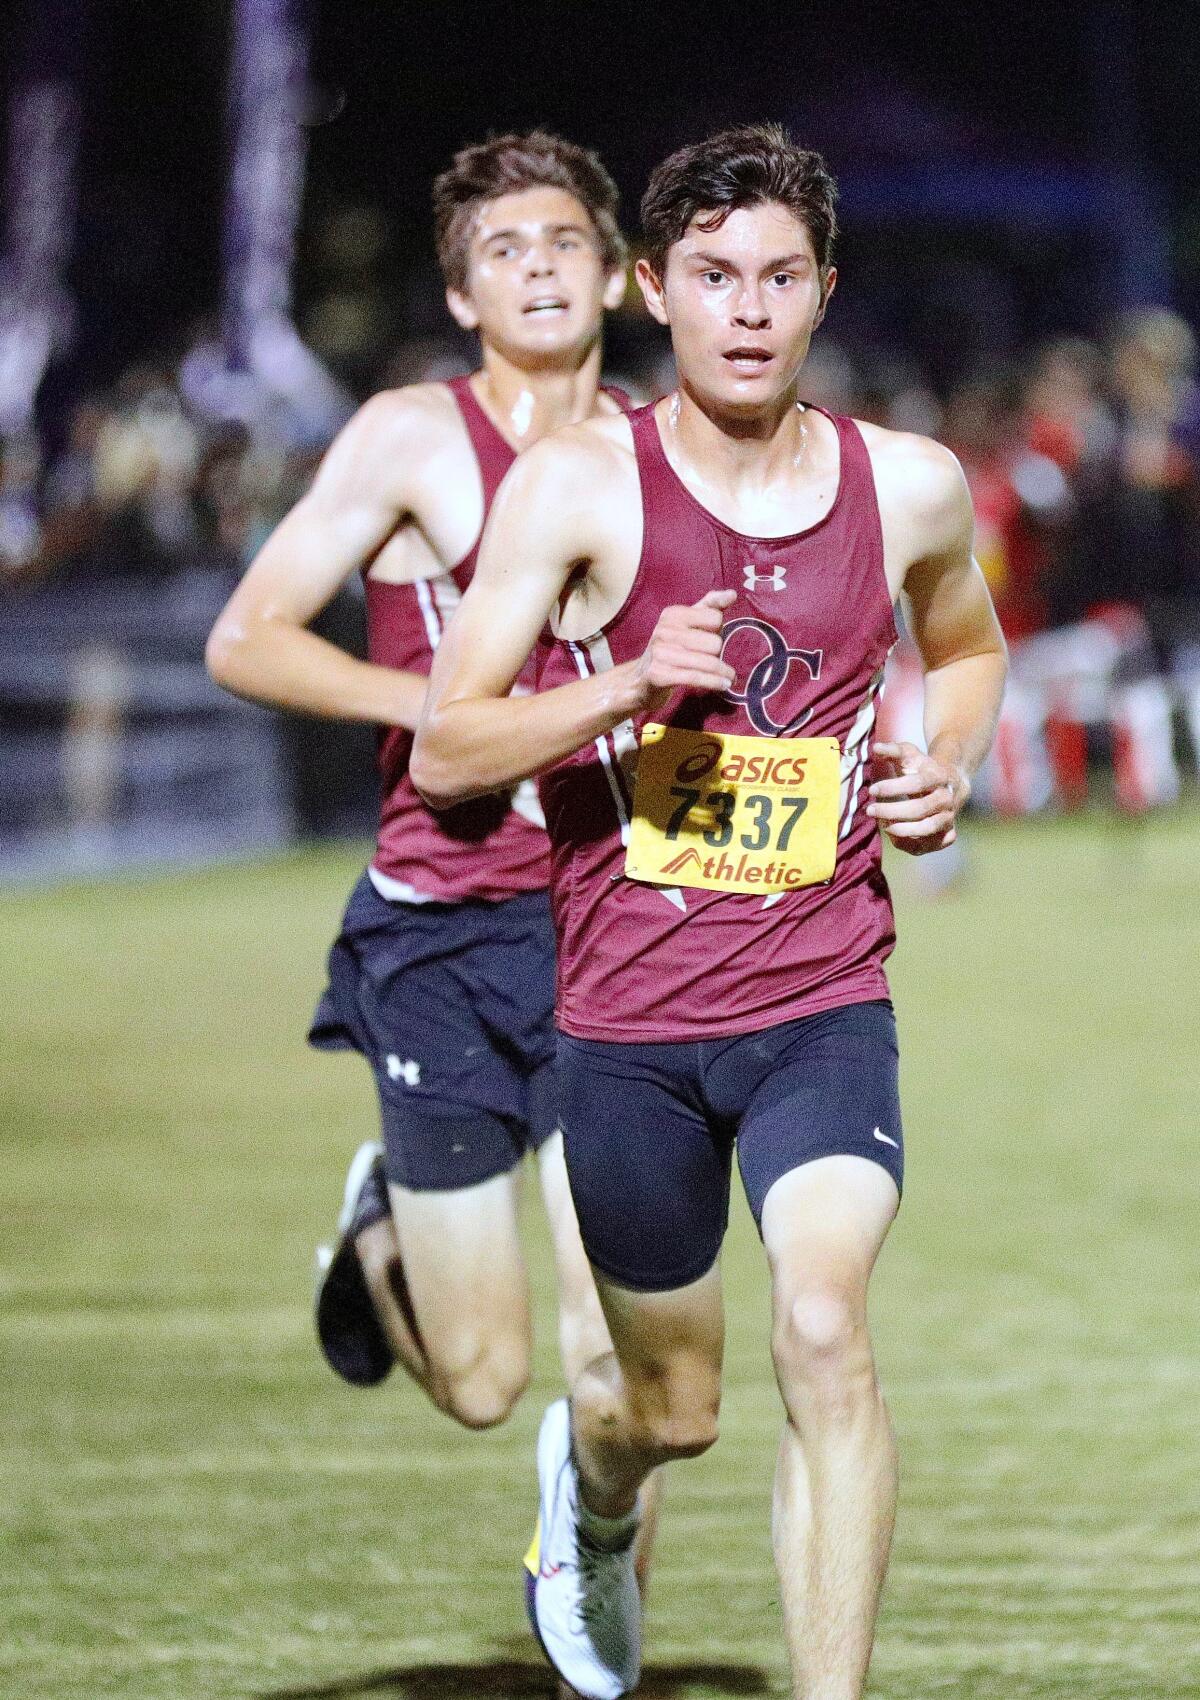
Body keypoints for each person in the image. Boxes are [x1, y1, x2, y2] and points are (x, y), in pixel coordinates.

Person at [412, 124, 1008, 1700]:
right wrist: (623, 679)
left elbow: (969, 652)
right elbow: (450, 744)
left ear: (822, 293)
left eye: (780, 277)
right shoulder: (575, 489)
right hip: (626, 1032)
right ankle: (595, 1502)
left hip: (823, 999)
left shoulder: (911, 484)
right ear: (656, 292)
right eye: (713, 277)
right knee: (668, 1413)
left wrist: (942, 765)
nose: (747, 309)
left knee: (826, 1324)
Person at [205, 132, 642, 1449]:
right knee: (485, 1384)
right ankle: (381, 1228)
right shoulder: (410, 438)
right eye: (503, 251)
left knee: (614, 1336)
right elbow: (246, 637)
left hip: (607, 930)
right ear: (464, 299)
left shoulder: (664, 453)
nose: (540, 268)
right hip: (443, 924)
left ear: (619, 276)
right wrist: (441, 712)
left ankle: (593, 1573)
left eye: (566, 242)